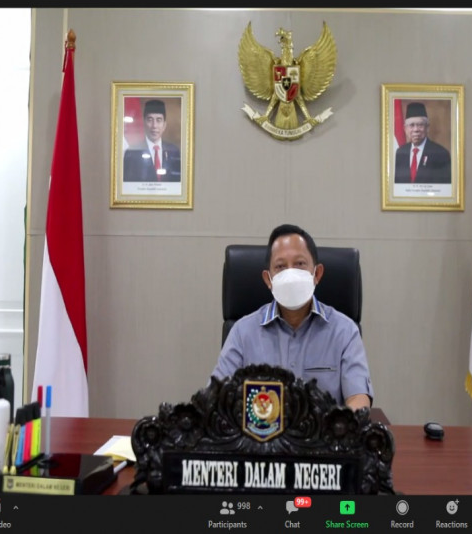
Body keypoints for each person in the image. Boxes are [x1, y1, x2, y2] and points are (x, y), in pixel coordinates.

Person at [211, 224, 373, 410]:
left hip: (324, 429)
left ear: (317, 274)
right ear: (268, 279)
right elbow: (216, 398)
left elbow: (358, 399)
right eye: (280, 266)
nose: (290, 274)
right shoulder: (242, 332)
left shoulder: (345, 331)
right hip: (260, 428)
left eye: (300, 264)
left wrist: (344, 425)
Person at [123, 99, 181, 182]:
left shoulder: (174, 151)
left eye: (159, 120)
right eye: (150, 120)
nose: (154, 126)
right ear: (144, 123)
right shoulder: (131, 153)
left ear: (164, 125)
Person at [394, 102, 451, 184]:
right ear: (405, 129)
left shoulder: (441, 154)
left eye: (420, 125)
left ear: (427, 128)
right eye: (411, 125)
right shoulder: (400, 153)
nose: (416, 130)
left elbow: (445, 187)